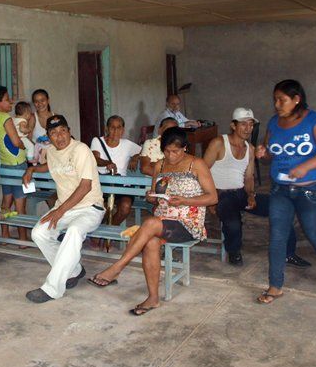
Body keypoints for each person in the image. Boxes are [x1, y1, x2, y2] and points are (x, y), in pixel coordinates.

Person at [88, 128, 217, 315]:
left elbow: (212, 197)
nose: (171, 156)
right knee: (150, 241)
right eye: (167, 151)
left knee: (150, 223)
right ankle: (153, 298)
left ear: (185, 148)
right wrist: (152, 197)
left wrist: (185, 200)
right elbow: (155, 198)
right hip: (163, 219)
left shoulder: (196, 164)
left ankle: (117, 267)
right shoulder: (160, 166)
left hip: (188, 222)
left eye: (176, 151)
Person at [255, 80, 316, 304]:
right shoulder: (274, 123)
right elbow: (272, 154)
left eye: (282, 99)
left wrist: (306, 167)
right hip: (280, 190)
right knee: (277, 237)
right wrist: (264, 153)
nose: (277, 104)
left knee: (314, 233)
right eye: (275, 99)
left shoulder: (314, 120)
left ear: (296, 99)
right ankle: (275, 286)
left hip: (309, 190)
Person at [203, 108, 309, 268]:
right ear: (233, 125)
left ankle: (289, 254)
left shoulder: (250, 149)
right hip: (220, 194)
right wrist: (210, 200)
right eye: (243, 124)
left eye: (251, 125)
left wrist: (251, 195)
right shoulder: (219, 143)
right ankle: (234, 251)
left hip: (240, 193)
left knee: (281, 208)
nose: (248, 128)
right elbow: (202, 171)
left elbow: (248, 177)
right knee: (233, 223)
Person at [23, 115, 105, 303]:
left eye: (62, 131)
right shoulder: (51, 151)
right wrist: (32, 170)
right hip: (65, 208)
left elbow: (85, 187)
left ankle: (52, 288)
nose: (59, 137)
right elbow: (49, 166)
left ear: (69, 131)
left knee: (74, 232)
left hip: (90, 207)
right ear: (48, 136)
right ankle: (74, 270)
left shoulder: (81, 150)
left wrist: (59, 211)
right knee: (39, 233)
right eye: (53, 133)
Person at [0, 86, 28, 244]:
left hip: (3, 164)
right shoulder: (4, 117)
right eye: (7, 99)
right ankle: (23, 240)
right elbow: (16, 141)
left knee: (6, 200)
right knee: (20, 203)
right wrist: (25, 147)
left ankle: (5, 236)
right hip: (16, 163)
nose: (11, 102)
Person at [90, 115, 142, 225]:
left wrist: (135, 157)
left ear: (123, 130)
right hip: (102, 185)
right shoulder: (98, 141)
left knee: (125, 207)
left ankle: (107, 231)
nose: (115, 131)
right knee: (100, 211)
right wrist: (107, 163)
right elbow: (95, 158)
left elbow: (143, 151)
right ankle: (100, 234)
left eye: (119, 127)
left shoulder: (127, 144)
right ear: (107, 129)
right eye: (112, 127)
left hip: (121, 186)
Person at [30, 89, 56, 164]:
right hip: (38, 160)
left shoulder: (56, 117)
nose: (40, 104)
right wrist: (39, 149)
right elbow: (28, 139)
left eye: (42, 100)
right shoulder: (32, 118)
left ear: (48, 100)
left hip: (55, 158)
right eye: (36, 101)